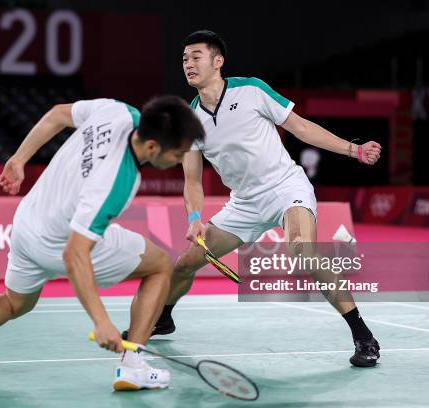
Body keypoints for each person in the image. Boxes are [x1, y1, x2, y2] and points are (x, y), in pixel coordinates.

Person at [0, 96, 205, 390]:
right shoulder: (118, 182)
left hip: (27, 223)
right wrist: (102, 321)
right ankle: (133, 366)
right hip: (60, 242)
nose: (179, 161)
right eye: (177, 154)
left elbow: (57, 115)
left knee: (15, 303)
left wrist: (19, 159)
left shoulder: (118, 111)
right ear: (152, 147)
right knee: (161, 265)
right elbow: (75, 254)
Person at [130, 30, 382, 367]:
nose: (188, 64)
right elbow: (191, 181)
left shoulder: (251, 90)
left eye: (196, 57)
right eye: (184, 59)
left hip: (284, 187)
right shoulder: (191, 120)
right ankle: (164, 318)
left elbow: (302, 128)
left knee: (302, 250)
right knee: (185, 264)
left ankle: (363, 336)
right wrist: (193, 219)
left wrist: (354, 149)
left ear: (217, 61)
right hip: (244, 203)